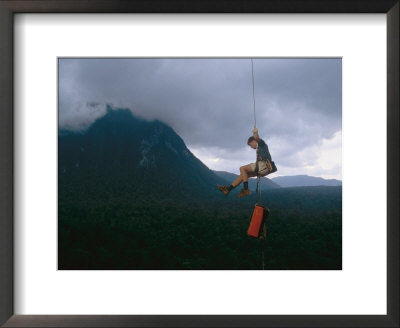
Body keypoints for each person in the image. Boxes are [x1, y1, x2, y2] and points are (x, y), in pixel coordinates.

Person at [217, 127, 273, 198]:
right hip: (264, 169)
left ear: (253, 141)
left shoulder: (262, 145)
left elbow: (256, 137)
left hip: (264, 166)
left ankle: (246, 190)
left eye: (250, 145)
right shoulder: (259, 149)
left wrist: (255, 131)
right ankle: (228, 189)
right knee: (244, 175)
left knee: (242, 168)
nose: (251, 147)